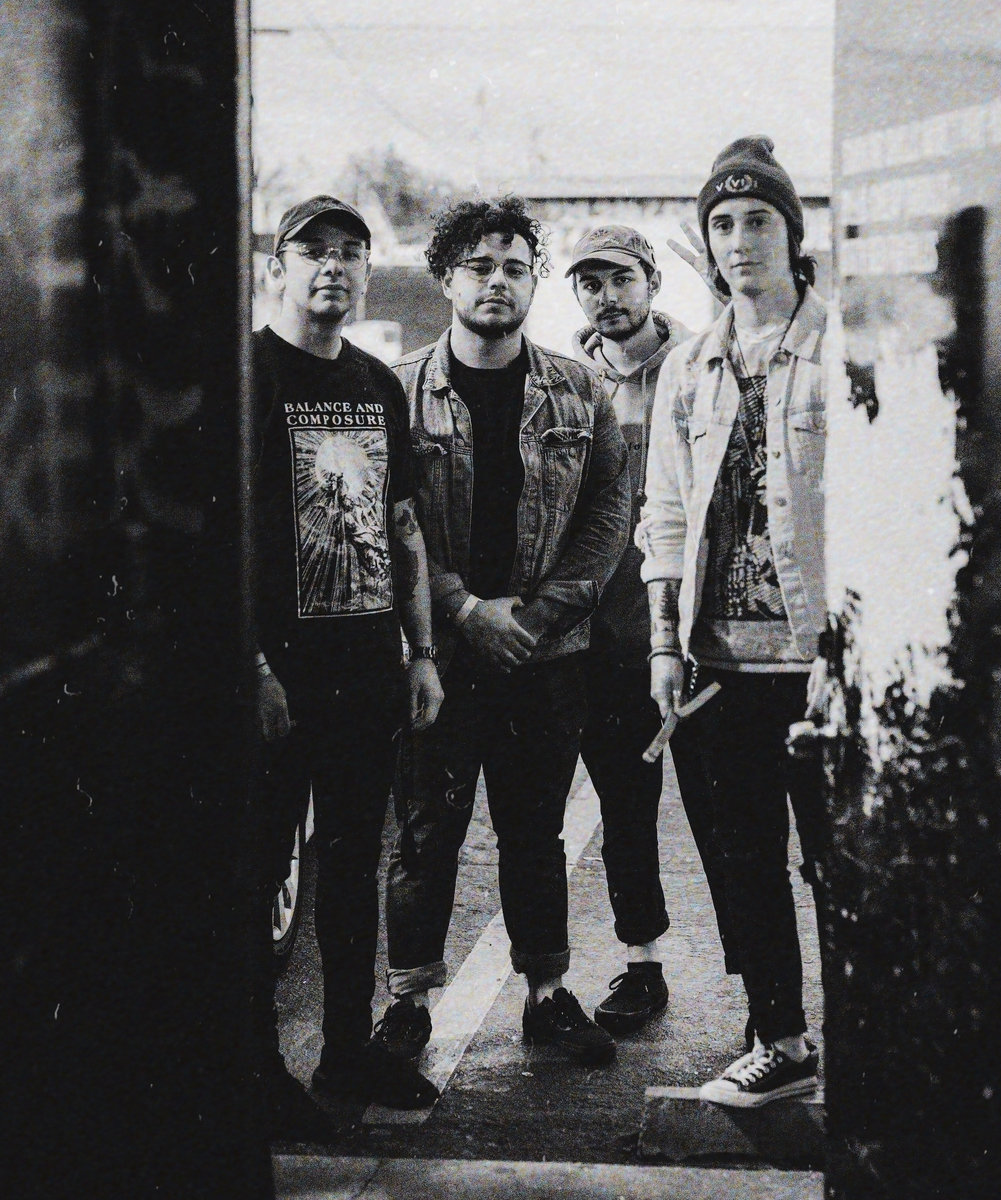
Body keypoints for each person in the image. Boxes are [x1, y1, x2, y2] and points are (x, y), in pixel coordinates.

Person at [376, 196, 631, 1070]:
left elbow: (609, 513)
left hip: (544, 654)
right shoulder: (398, 390)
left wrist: (539, 614)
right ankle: (408, 1004)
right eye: (479, 267)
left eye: (515, 268)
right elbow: (390, 517)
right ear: (446, 280)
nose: (497, 282)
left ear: (534, 281)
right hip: (440, 657)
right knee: (426, 832)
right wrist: (462, 609)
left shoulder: (580, 389)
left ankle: (547, 996)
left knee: (535, 832)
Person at [637, 137, 831, 1107]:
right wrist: (664, 642)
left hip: (820, 659)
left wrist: (850, 650)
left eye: (759, 220)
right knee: (745, 859)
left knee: (842, 859)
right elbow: (666, 514)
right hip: (720, 662)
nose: (740, 239)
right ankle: (781, 1040)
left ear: (793, 234)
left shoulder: (842, 349)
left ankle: (885, 1040)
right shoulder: (688, 366)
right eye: (721, 223)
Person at [251, 195, 444, 1130]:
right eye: (313, 250)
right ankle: (250, 1066)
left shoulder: (375, 383)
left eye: (350, 252)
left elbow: (401, 524)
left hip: (365, 665)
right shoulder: (246, 376)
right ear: (277, 269)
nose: (333, 265)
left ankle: (346, 1049)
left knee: (353, 859)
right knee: (256, 868)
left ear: (367, 272)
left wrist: (422, 651)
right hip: (277, 675)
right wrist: (250, 666)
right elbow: (216, 539)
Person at [565, 226, 739, 1034]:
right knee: (625, 814)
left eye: (621, 278)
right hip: (607, 642)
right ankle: (641, 965)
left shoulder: (701, 364)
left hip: (695, 640)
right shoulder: (567, 384)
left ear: (652, 282)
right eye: (590, 282)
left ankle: (763, 993)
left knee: (725, 817)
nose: (607, 296)